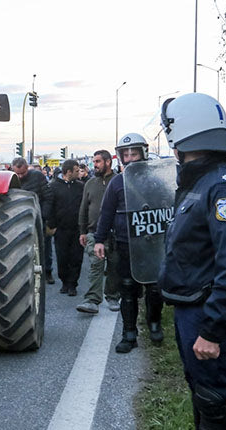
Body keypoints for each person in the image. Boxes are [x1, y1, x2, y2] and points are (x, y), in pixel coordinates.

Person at [157, 93, 226, 429]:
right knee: (203, 395)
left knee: (214, 402)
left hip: (204, 314)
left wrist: (213, 330)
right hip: (193, 308)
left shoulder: (224, 186)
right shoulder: (203, 180)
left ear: (180, 133)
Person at [94, 133, 164, 352]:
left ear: (142, 153)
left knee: (154, 288)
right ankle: (129, 334)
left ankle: (154, 324)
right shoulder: (116, 182)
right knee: (127, 289)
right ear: (121, 157)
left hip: (152, 242)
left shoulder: (155, 179)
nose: (131, 157)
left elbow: (167, 206)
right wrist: (99, 240)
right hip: (125, 244)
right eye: (126, 153)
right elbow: (106, 213)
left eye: (134, 153)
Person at [76, 150, 120, 314]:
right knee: (95, 266)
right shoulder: (90, 183)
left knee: (115, 266)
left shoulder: (118, 181)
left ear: (108, 162)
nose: (94, 165)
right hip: (94, 233)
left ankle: (113, 296)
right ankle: (92, 300)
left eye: (98, 162)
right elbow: (84, 208)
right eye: (94, 162)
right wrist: (82, 231)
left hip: (115, 233)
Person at [11, 157, 54, 283]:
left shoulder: (37, 177)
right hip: (19, 219)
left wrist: (43, 216)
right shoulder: (11, 179)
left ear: (27, 169)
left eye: (22, 173)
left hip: (38, 217)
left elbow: (48, 197)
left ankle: (47, 272)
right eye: (17, 174)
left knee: (45, 247)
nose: (19, 176)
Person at [47, 159, 84, 296]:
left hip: (77, 229)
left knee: (76, 257)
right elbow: (50, 207)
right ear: (68, 172)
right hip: (61, 229)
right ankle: (64, 282)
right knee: (62, 258)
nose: (78, 173)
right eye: (76, 170)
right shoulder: (53, 186)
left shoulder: (81, 186)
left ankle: (73, 284)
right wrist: (51, 225)